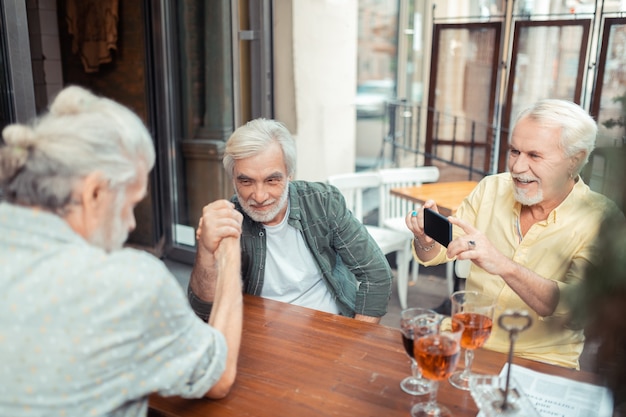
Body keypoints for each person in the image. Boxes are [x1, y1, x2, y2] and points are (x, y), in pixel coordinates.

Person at [0, 86, 243, 416]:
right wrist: (230, 255)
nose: (130, 224)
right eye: (130, 204)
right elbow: (218, 375)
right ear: (95, 192)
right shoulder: (125, 283)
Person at [405, 99, 624, 369]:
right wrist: (424, 240)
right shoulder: (491, 189)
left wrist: (504, 266)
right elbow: (440, 251)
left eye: (534, 155)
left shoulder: (602, 218)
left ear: (574, 160)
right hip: (468, 339)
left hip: (542, 359)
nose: (518, 167)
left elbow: (577, 311)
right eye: (514, 151)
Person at [188, 118, 393, 324]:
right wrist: (205, 251)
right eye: (246, 181)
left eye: (271, 180)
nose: (259, 196)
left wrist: (355, 341)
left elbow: (376, 274)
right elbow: (205, 311)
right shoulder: (228, 222)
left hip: (331, 325)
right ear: (233, 179)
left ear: (290, 174)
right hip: (263, 334)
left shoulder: (322, 202)